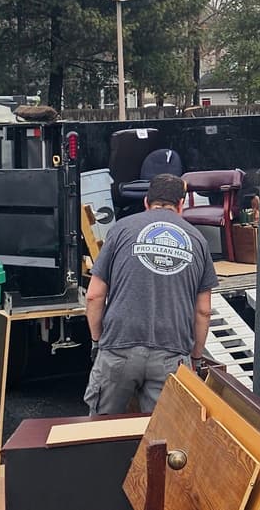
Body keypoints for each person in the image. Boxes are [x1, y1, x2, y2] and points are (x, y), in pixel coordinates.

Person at [82, 173, 217, 414]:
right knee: (161, 439)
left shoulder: (120, 229)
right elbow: (203, 310)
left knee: (100, 435)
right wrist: (195, 359)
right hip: (171, 354)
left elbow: (94, 296)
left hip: (119, 347)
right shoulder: (198, 240)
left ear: (146, 202)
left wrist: (97, 341)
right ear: (181, 205)